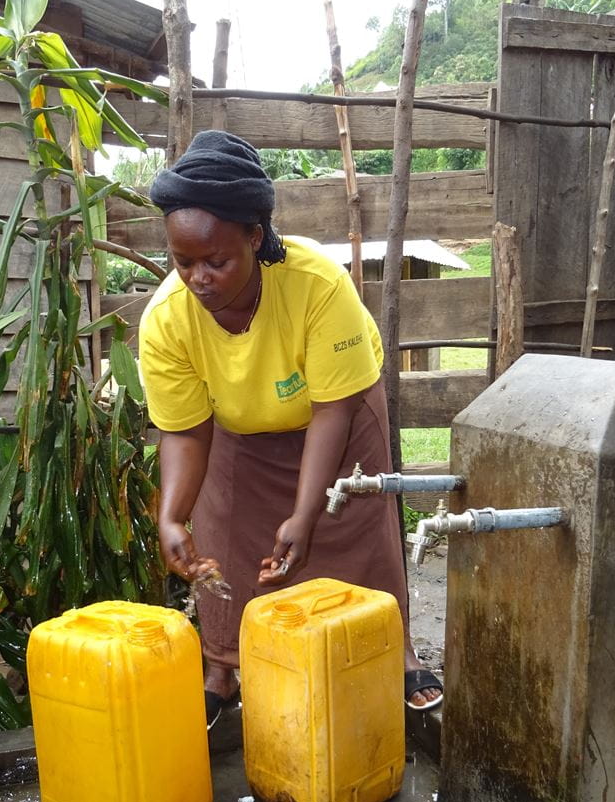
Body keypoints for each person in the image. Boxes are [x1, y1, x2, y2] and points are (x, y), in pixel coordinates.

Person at [138, 130, 443, 728]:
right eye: (183, 262)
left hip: (337, 416)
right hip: (236, 427)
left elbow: (333, 408)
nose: (198, 278)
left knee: (357, 528)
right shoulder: (167, 320)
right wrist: (172, 515)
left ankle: (397, 649)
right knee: (223, 536)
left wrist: (306, 512)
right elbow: (184, 430)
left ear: (255, 236)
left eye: (217, 261)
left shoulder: (315, 283)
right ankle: (221, 668)